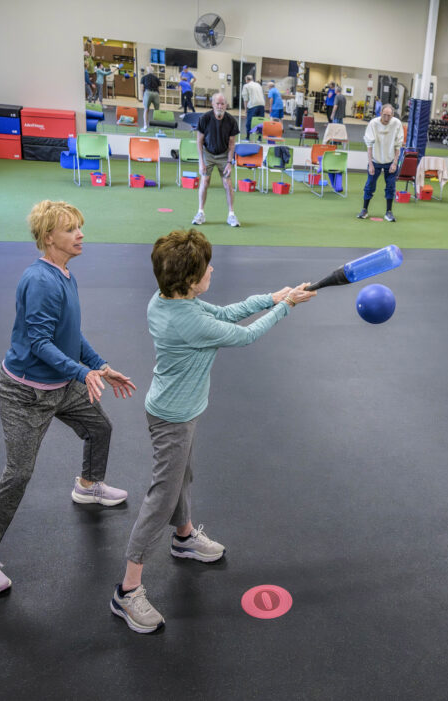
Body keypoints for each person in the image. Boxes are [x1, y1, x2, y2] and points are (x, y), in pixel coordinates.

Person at [110, 229, 316, 633]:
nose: (212, 270)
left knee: (182, 477)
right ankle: (127, 590)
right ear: (190, 280)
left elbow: (222, 313)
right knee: (161, 496)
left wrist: (272, 297)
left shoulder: (167, 301)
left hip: (178, 411)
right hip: (173, 418)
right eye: (206, 267)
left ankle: (184, 537)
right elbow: (245, 334)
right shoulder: (186, 321)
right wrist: (286, 306)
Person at [0, 200, 137, 596]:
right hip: (24, 393)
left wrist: (99, 365)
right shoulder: (40, 280)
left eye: (80, 226)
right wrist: (82, 372)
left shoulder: (64, 274)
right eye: (71, 229)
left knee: (100, 427)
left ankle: (88, 484)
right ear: (48, 238)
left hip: (60, 385)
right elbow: (40, 343)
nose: (81, 235)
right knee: (18, 474)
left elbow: (70, 334)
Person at [193, 93, 239, 228]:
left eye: (222, 103)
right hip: (208, 154)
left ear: (226, 105)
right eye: (217, 103)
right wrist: (201, 162)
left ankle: (231, 215)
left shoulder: (231, 121)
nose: (220, 106)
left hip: (224, 155)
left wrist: (230, 163)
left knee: (227, 183)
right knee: (205, 180)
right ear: (212, 104)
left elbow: (232, 144)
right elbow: (199, 141)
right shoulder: (204, 118)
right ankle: (200, 212)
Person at [356, 104, 404, 222]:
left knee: (391, 187)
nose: (386, 118)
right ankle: (364, 210)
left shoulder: (397, 123)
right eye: (384, 115)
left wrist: (395, 163)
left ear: (392, 115)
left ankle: (389, 212)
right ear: (380, 114)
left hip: (390, 161)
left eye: (389, 115)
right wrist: (371, 164)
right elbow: (369, 145)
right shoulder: (373, 123)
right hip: (375, 160)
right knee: (369, 186)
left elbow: (398, 146)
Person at [241, 75, 265, 141]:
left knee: (249, 122)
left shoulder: (246, 86)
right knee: (260, 122)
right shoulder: (258, 85)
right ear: (252, 79)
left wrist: (246, 110)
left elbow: (245, 99)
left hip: (253, 105)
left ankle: (247, 138)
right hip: (262, 105)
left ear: (246, 80)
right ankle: (259, 139)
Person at [140, 65, 161, 132]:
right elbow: (159, 89)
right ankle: (157, 127)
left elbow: (142, 88)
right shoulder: (157, 78)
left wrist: (142, 97)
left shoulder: (144, 77)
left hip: (148, 93)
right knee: (157, 111)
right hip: (156, 94)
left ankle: (145, 126)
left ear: (147, 70)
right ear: (153, 71)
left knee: (146, 110)